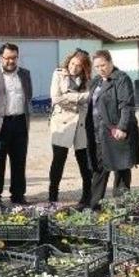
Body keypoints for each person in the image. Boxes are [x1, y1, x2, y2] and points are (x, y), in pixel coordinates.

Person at [86, 50, 139, 209]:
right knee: (99, 169)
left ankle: (122, 207)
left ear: (110, 62)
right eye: (97, 66)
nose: (100, 69)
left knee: (121, 168)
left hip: (116, 132)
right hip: (98, 132)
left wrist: (122, 127)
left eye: (103, 65)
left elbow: (127, 106)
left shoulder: (121, 79)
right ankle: (94, 206)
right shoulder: (96, 81)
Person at [0, 43, 32, 206]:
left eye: (14, 57)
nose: (11, 61)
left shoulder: (25, 74)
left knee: (19, 161)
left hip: (20, 123)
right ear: (0, 58)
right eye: (7, 58)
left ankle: (18, 195)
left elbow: (27, 97)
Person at [48, 50, 92, 207]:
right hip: (62, 122)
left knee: (85, 162)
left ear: (84, 67)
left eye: (79, 66)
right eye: (73, 63)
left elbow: (90, 97)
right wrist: (81, 97)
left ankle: (87, 196)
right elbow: (56, 98)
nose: (74, 68)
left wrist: (69, 96)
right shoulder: (59, 74)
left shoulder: (87, 79)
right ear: (69, 61)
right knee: (58, 160)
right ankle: (53, 197)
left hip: (81, 123)